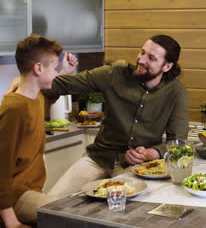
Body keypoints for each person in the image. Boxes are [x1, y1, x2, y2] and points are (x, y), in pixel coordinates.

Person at [23, 34, 189, 198]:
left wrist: (152, 153)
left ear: (167, 66)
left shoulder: (176, 92)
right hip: (99, 158)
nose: (142, 59)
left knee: (118, 213)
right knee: (51, 204)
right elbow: (60, 85)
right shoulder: (115, 73)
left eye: (151, 58)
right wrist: (26, 80)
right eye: (142, 52)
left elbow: (178, 143)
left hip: (138, 167)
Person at [0, 35, 78, 228]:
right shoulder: (14, 108)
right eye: (53, 67)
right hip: (16, 196)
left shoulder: (36, 98)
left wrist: (64, 71)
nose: (54, 73)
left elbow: (45, 100)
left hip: (31, 191)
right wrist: (11, 222)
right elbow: (1, 166)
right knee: (72, 217)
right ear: (38, 68)